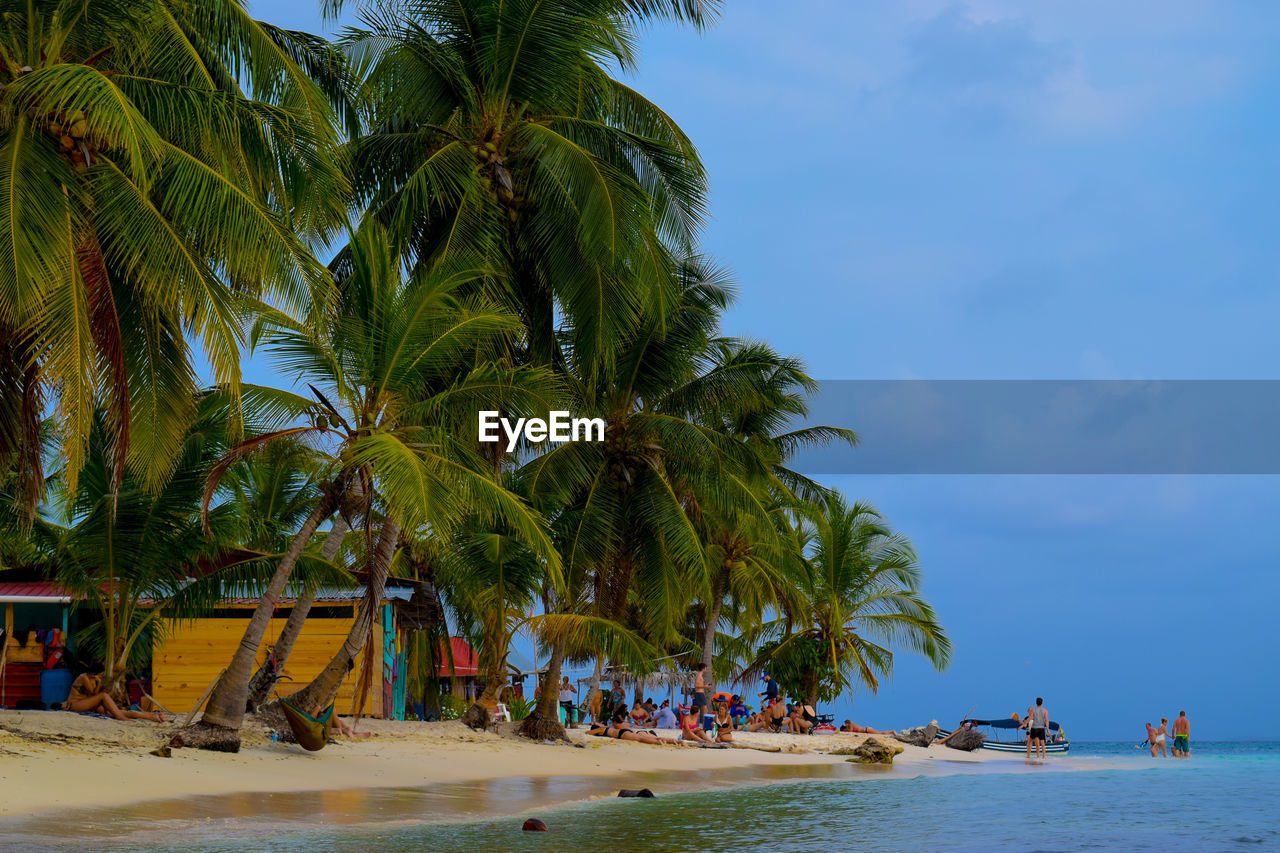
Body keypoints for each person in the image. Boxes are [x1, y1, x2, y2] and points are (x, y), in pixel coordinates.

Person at [64, 670, 167, 723]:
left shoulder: (94, 679)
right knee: (104, 696)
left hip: (86, 704)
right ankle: (120, 717)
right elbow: (94, 694)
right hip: (75, 704)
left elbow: (93, 694)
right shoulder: (84, 677)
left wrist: (98, 682)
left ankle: (152, 716)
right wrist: (98, 681)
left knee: (118, 711)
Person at [1024, 697, 1049, 761]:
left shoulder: (1033, 710)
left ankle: (1028, 756)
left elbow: (1030, 717)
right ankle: (1044, 756)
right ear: (1042, 703)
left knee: (1029, 742)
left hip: (1034, 728)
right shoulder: (1045, 711)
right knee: (1042, 743)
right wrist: (1048, 729)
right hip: (1041, 728)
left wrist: (1025, 723)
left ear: (1036, 702)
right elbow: (1046, 720)